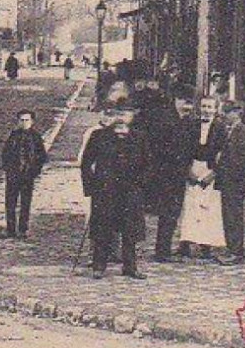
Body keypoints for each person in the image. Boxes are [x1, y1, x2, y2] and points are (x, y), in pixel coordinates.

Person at [79, 108, 147, 279]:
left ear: (132, 116)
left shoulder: (139, 137)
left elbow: (149, 165)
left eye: (125, 114)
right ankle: (99, 265)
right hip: (105, 191)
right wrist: (91, 187)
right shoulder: (99, 136)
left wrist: (140, 185)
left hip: (130, 192)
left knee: (130, 230)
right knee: (103, 227)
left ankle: (130, 266)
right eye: (118, 114)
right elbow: (86, 163)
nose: (121, 118)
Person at [137, 89, 188, 261]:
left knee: (168, 214)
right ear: (176, 100)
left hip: (169, 174)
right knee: (169, 213)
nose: (186, 105)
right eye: (184, 101)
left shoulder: (176, 118)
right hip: (168, 175)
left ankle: (162, 249)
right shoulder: (169, 120)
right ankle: (162, 251)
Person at [176, 97, 228, 259]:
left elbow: (224, 153)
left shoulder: (220, 128)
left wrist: (213, 173)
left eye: (210, 107)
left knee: (208, 206)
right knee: (190, 206)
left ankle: (206, 244)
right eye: (204, 106)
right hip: (193, 166)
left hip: (210, 168)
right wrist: (188, 171)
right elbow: (183, 149)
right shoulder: (192, 125)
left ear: (215, 109)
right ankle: (185, 243)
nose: (206, 109)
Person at [215, 101, 245, 264]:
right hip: (228, 180)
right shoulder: (229, 131)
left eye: (228, 112)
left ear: (237, 113)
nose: (225, 115)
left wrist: (227, 168)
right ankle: (232, 249)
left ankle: (236, 252)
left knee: (233, 217)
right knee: (229, 216)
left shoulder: (242, 131)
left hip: (235, 181)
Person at [0, 109, 48, 240]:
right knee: (10, 202)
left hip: (28, 175)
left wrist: (35, 171)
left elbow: (42, 156)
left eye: (27, 120)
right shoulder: (13, 136)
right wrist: (8, 169)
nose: (24, 122)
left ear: (32, 122)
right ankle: (10, 229)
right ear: (18, 121)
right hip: (13, 175)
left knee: (25, 203)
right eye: (22, 120)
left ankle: (23, 229)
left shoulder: (36, 137)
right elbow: (5, 153)